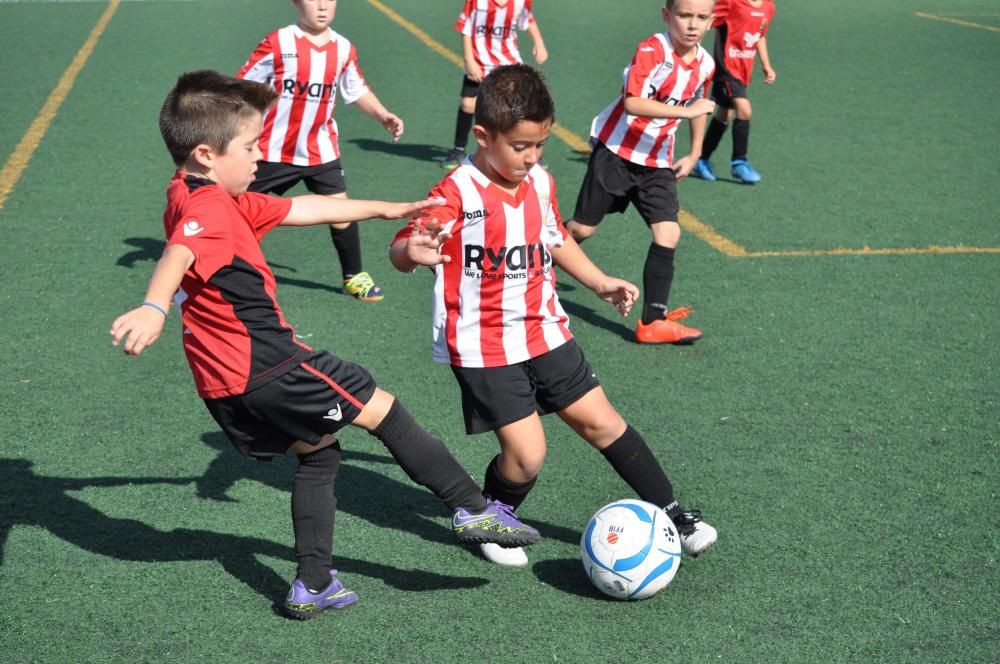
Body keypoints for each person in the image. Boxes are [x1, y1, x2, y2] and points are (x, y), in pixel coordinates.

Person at [110, 70, 540, 619]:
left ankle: (314, 583)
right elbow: (179, 252)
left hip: (224, 381)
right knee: (383, 408)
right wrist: (152, 306)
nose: (260, 156)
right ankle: (472, 508)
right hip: (269, 362)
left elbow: (305, 209)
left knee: (318, 455)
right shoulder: (208, 210)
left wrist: (391, 209)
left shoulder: (196, 192)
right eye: (250, 146)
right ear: (205, 153)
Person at [390, 64, 716, 568]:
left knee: (602, 422)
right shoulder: (457, 191)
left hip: (545, 327)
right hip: (484, 343)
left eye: (539, 145)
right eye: (520, 146)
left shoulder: (540, 180)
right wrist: (412, 250)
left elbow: (555, 237)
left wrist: (600, 281)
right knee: (528, 455)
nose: (531, 157)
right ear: (483, 135)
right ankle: (490, 517)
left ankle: (673, 513)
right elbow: (401, 248)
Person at [564, 0, 717, 346]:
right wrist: (687, 111)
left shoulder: (705, 64)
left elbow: (699, 108)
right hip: (617, 153)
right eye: (684, 15)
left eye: (701, 18)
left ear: (711, 21)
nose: (692, 25)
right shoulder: (652, 50)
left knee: (669, 234)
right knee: (582, 229)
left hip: (657, 163)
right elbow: (633, 102)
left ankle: (652, 321)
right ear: (667, 16)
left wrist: (694, 153)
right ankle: (531, 261)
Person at [237, 0, 403, 302]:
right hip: (273, 151)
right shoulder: (278, 42)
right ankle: (212, 264)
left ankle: (354, 276)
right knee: (238, 208)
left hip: (320, 151)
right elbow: (242, 84)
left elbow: (356, 89)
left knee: (341, 212)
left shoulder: (343, 48)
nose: (323, 6)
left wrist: (382, 115)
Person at [440, 0, 548, 169]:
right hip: (480, 62)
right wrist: (469, 61)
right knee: (468, 105)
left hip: (509, 61)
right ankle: (458, 150)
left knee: (521, 105)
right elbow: (466, 28)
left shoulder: (520, 2)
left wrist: (539, 43)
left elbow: (528, 20)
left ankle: (527, 150)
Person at [691, 0, 776, 184]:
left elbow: (760, 36)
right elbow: (707, 21)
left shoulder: (768, 7)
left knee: (724, 114)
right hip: (727, 68)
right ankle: (739, 162)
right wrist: (693, 51)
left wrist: (766, 65)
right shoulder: (730, 3)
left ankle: (701, 159)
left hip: (743, 69)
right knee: (744, 110)